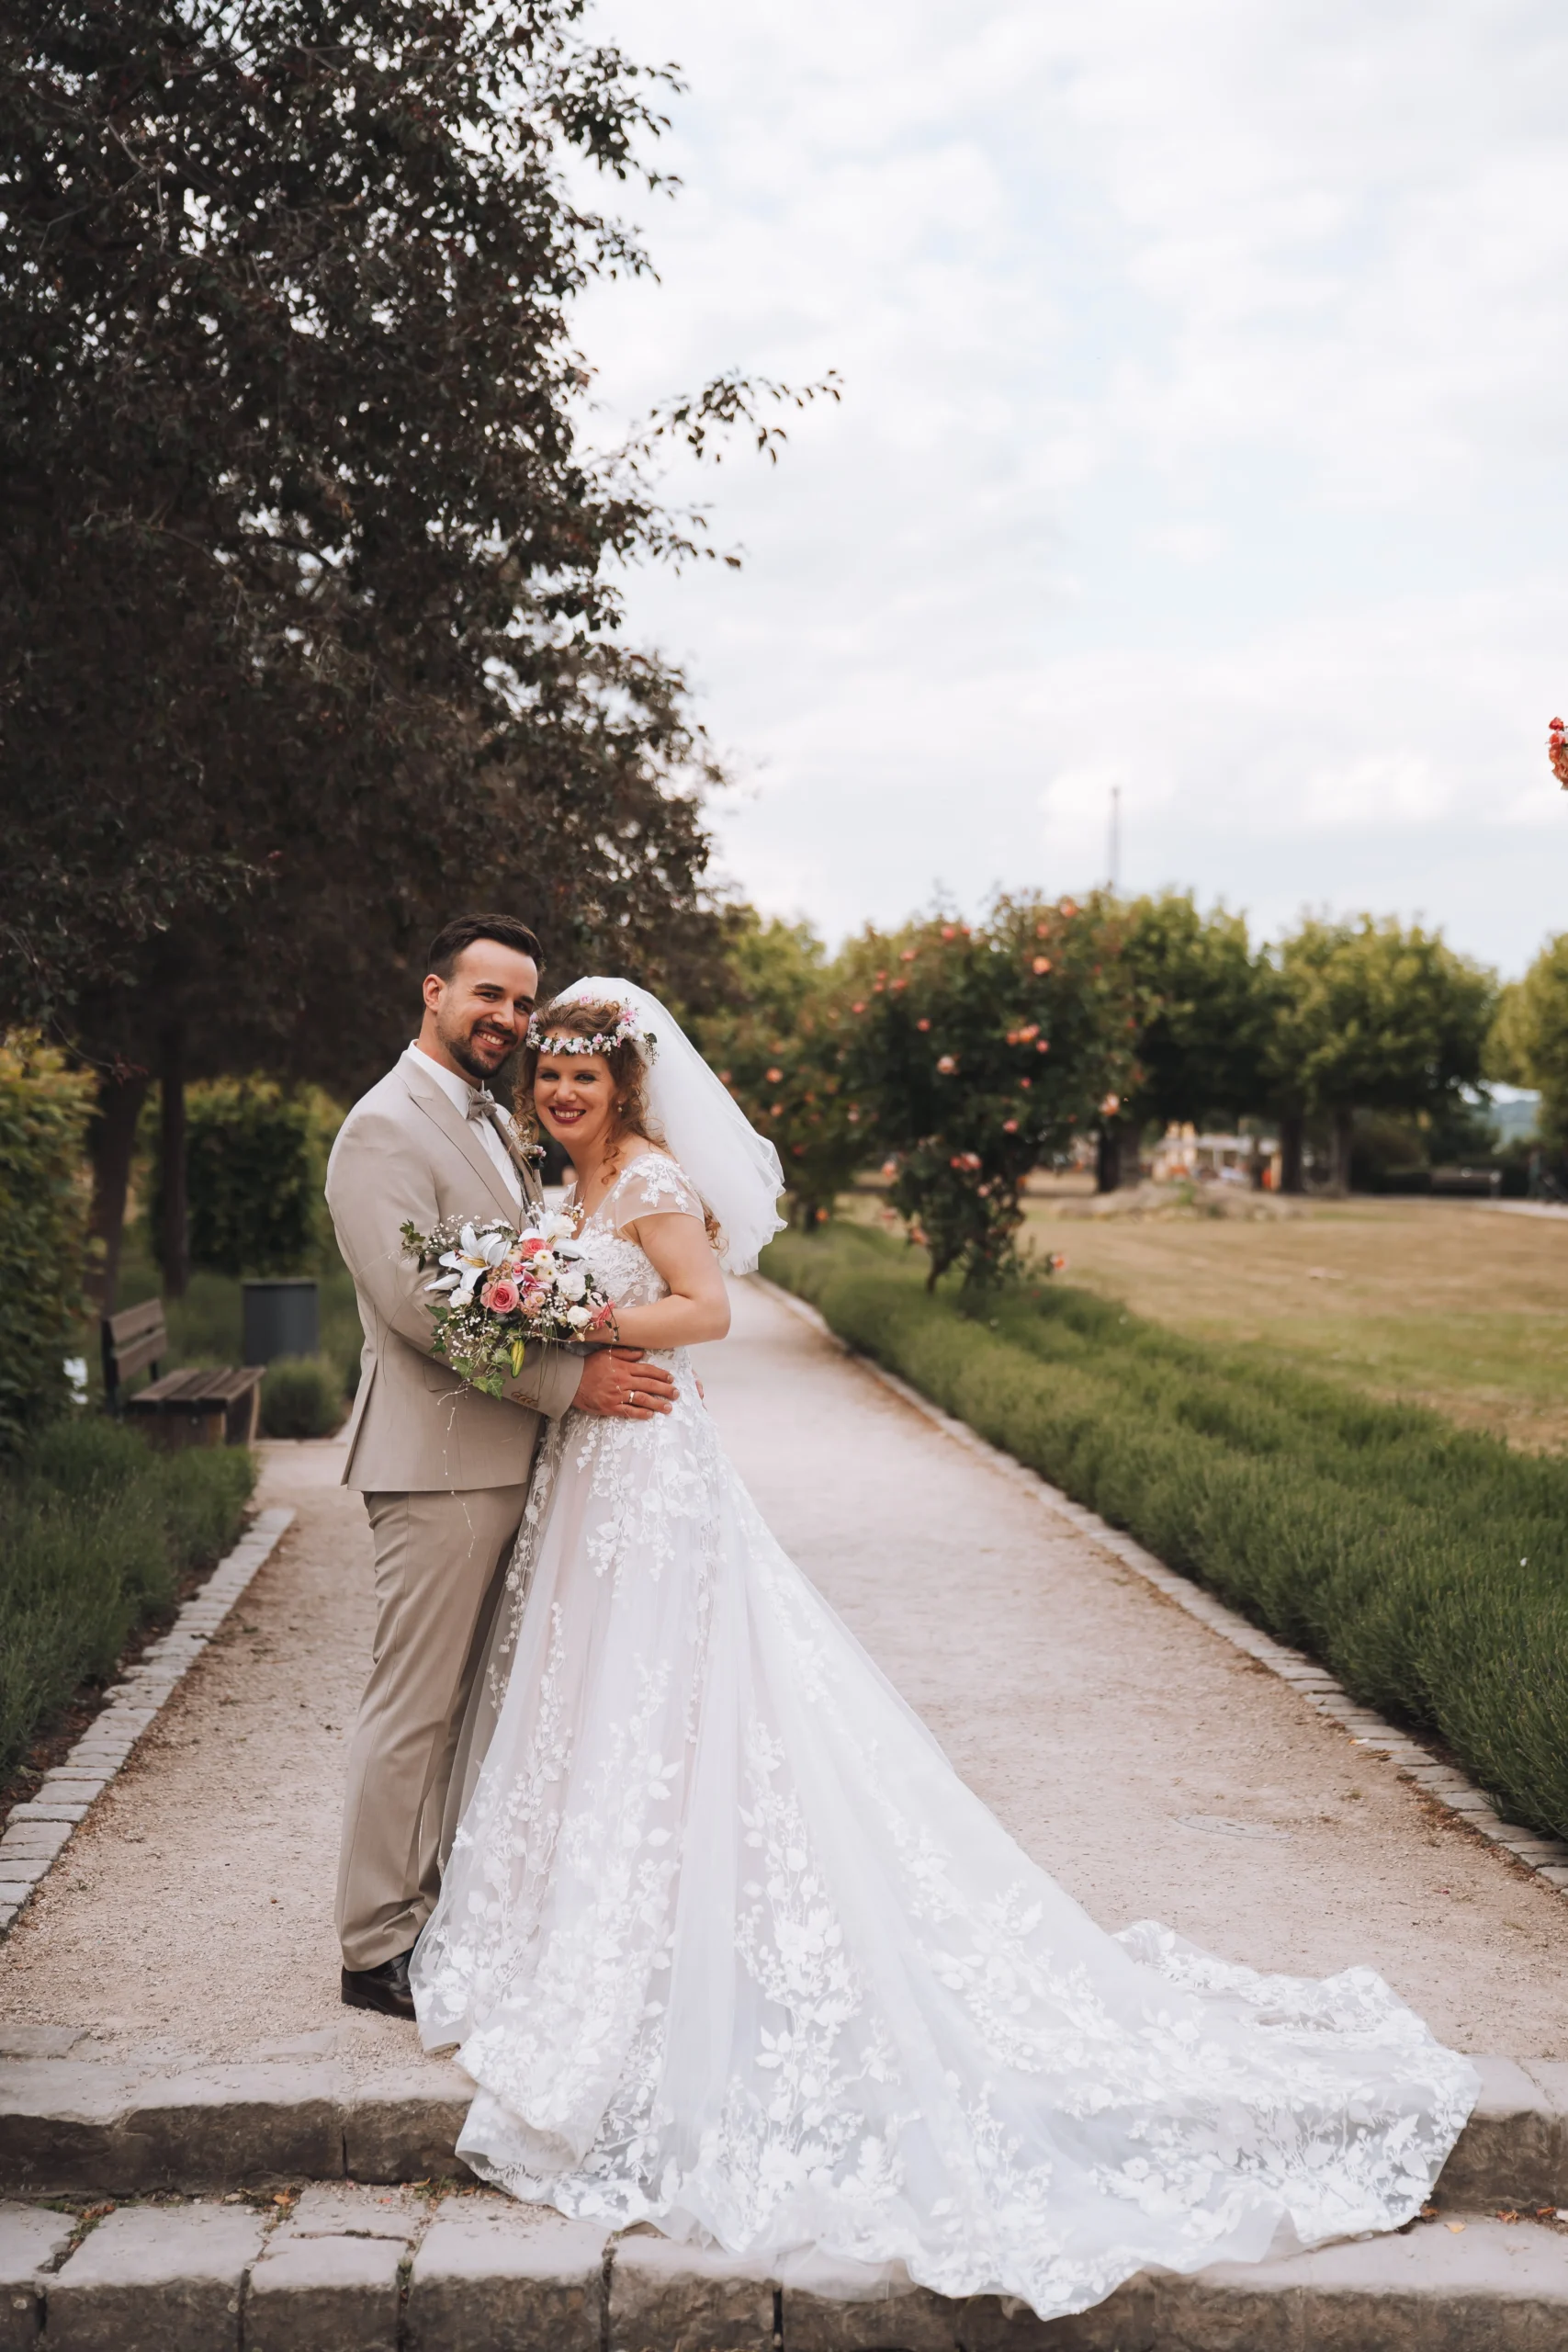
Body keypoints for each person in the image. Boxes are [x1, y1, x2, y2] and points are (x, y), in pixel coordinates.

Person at [410, 977, 1477, 2328]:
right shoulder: (564, 1187)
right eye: (549, 1075)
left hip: (650, 1472)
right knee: (594, 1690)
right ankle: (592, 1913)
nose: (563, 1092)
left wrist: (582, 1321)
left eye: (584, 1075)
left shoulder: (652, 1183)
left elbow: (708, 1310)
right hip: (591, 1467)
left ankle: (674, 1926)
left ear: (625, 1082)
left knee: (666, 1690)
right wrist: (551, 1314)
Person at [325, 919, 678, 2020]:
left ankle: (439, 1909)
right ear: (434, 991)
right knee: (416, 1707)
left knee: (478, 1702)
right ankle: (375, 1942)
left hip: (510, 1456)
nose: (509, 1020)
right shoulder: (384, 1127)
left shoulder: (491, 1119)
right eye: (489, 994)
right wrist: (575, 1383)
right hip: (438, 1463)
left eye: (523, 1003)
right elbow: (420, 1308)